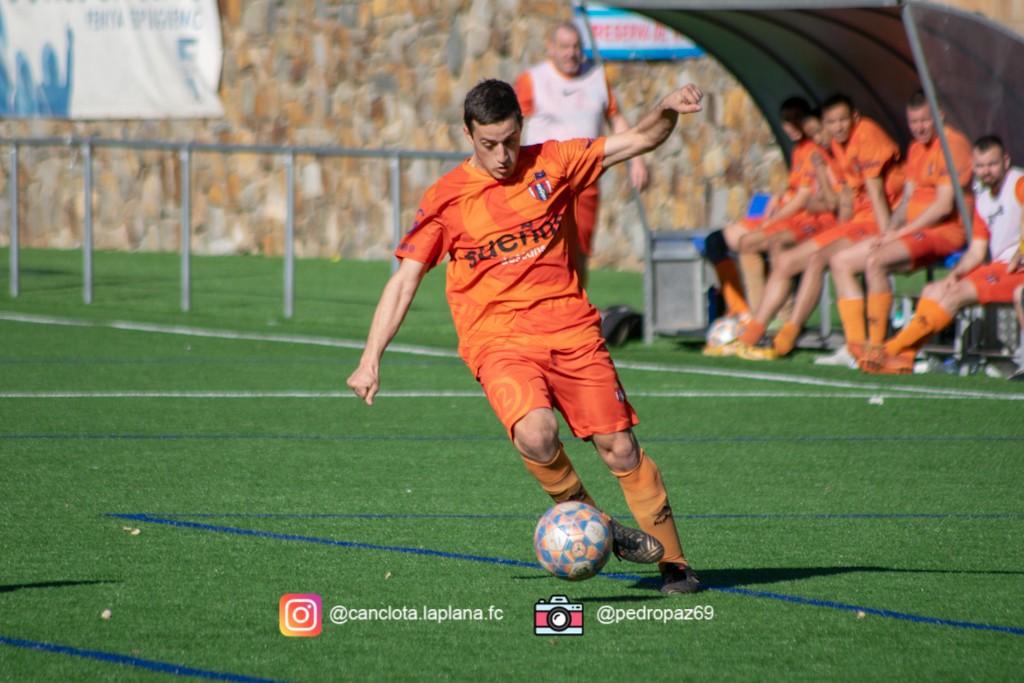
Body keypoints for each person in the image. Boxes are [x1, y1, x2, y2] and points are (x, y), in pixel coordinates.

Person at [346, 79, 705, 594]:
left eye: (510, 140)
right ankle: (597, 524)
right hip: (498, 341)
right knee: (535, 434)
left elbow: (642, 138)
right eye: (488, 144)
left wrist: (665, 107)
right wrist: (370, 358)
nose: (502, 155)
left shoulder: (555, 162)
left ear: (522, 127)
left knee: (620, 449)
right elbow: (405, 279)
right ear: (468, 134)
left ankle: (675, 564)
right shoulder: (447, 199)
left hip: (572, 330)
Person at [727, 93, 900, 360]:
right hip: (853, 222)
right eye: (829, 124)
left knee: (817, 257)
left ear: (853, 117)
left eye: (840, 121)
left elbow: (868, 194)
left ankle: (792, 336)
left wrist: (887, 235)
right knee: (782, 260)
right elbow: (845, 198)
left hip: (872, 222)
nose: (829, 132)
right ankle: (753, 333)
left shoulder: (863, 137)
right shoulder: (834, 147)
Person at [825, 91, 972, 366]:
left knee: (876, 261)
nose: (919, 128)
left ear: (939, 116)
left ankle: (876, 349)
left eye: (925, 121)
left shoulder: (952, 144)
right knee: (840, 261)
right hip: (913, 232)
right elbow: (906, 200)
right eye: (914, 122)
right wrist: (889, 232)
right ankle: (855, 349)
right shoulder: (916, 148)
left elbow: (943, 206)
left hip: (944, 232)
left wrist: (900, 233)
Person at [862, 135, 1024, 374]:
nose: (986, 171)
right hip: (999, 267)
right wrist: (955, 274)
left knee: (955, 294)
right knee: (934, 290)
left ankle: (889, 349)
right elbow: (977, 250)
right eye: (981, 166)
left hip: (1017, 268)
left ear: (1006, 161)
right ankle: (905, 357)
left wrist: (1021, 249)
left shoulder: (1017, 183)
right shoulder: (982, 198)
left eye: (992, 164)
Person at [514, 20, 648, 285]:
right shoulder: (534, 80)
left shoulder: (596, 78)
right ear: (551, 48)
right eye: (565, 47)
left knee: (578, 253)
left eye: (576, 47)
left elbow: (616, 118)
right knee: (541, 251)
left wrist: (637, 161)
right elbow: (511, 124)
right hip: (544, 183)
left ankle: (575, 302)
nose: (571, 53)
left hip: (584, 182)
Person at [701, 97, 830, 329]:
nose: (791, 125)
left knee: (756, 243)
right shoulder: (799, 150)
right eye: (786, 120)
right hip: (781, 216)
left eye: (797, 119)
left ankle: (764, 317)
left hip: (799, 222)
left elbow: (805, 196)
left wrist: (772, 220)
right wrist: (775, 201)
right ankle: (743, 310)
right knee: (715, 242)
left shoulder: (816, 150)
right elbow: (796, 191)